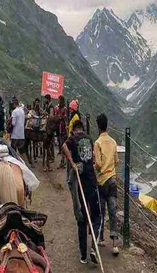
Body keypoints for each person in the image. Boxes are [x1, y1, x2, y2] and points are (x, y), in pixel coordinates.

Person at [62, 120, 101, 265]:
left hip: (80, 183)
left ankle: (84, 256)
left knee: (82, 219)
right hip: (92, 181)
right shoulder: (90, 139)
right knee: (96, 216)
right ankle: (93, 249)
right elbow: (94, 158)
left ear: (73, 130)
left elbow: (64, 146)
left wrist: (72, 162)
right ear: (83, 129)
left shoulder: (72, 139)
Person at [94, 113, 119, 255]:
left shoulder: (98, 143)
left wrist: (97, 167)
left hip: (102, 181)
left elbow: (98, 163)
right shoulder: (113, 142)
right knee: (113, 210)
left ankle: (101, 238)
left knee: (101, 211)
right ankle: (115, 244)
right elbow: (116, 161)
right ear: (107, 125)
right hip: (112, 180)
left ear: (98, 126)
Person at [10, 98, 28, 164]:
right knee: (22, 151)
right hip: (21, 134)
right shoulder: (22, 111)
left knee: (13, 152)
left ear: (14, 104)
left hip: (15, 135)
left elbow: (13, 123)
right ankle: (25, 164)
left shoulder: (14, 112)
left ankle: (15, 165)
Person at [55, 96, 69, 169]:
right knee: (61, 145)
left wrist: (61, 117)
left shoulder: (64, 109)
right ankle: (62, 161)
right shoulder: (58, 108)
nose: (58, 102)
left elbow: (66, 119)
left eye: (59, 100)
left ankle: (64, 162)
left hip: (63, 129)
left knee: (63, 145)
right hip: (58, 129)